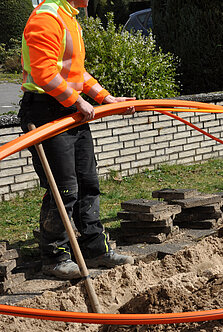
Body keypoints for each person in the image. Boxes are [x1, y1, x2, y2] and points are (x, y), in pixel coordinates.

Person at [19, 0, 135, 280]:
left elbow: (76, 73)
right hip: (46, 110)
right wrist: (77, 102)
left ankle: (95, 248)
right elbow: (45, 73)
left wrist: (105, 98)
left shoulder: (70, 18)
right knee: (64, 188)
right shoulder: (47, 18)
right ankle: (55, 257)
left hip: (70, 109)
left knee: (87, 182)